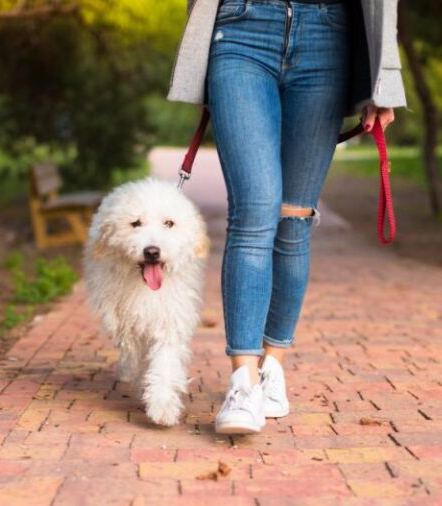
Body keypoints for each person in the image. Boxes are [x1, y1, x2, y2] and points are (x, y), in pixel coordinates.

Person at [166, 0, 407, 434]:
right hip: (241, 29)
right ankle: (243, 380)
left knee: (294, 220)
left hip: (329, 36)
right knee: (255, 210)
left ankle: (273, 367)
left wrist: (384, 83)